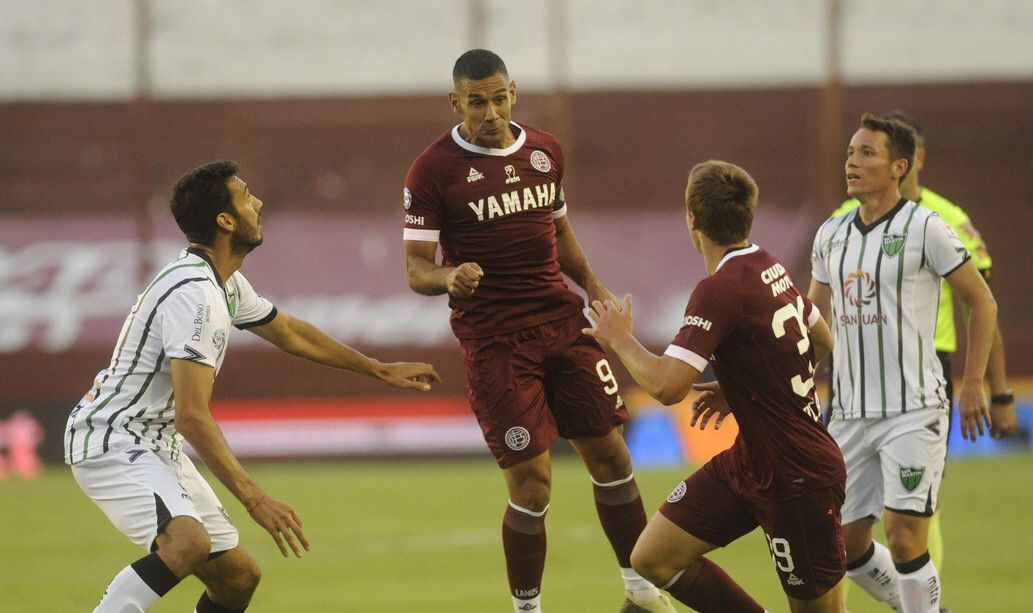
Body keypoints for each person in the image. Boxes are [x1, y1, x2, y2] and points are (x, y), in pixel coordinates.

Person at [66, 160, 441, 612]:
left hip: (154, 442)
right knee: (187, 543)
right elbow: (192, 416)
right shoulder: (194, 294)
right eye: (246, 196)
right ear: (225, 221)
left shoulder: (222, 282)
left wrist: (378, 369)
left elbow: (290, 333)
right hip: (113, 439)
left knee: (238, 579)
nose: (258, 203)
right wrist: (255, 499)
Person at [402, 49, 674, 613]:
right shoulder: (432, 171)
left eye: (499, 98)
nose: (491, 112)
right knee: (532, 486)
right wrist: (448, 276)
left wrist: (593, 286)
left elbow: (560, 232)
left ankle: (642, 593)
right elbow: (415, 268)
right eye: (477, 102)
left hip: (562, 326)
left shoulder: (545, 151)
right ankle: (527, 609)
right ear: (455, 103)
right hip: (497, 344)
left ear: (514, 93)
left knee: (613, 459)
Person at [584, 160, 847, 613]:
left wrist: (621, 340)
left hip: (797, 475)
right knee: (652, 557)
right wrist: (746, 383)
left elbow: (667, 387)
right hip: (751, 461)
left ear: (692, 220)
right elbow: (821, 340)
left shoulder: (719, 289)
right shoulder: (769, 265)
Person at [808, 114, 998, 613]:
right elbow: (812, 324)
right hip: (849, 413)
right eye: (850, 152)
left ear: (900, 167)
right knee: (844, 544)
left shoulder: (926, 227)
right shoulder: (830, 234)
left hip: (914, 408)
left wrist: (974, 383)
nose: (852, 161)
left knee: (905, 536)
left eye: (867, 153)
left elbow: (982, 302)